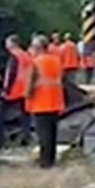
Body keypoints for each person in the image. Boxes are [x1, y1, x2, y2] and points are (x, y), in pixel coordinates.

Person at [25, 35, 65, 167]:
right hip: (55, 100)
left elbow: (31, 81)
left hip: (41, 101)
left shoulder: (35, 62)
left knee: (43, 133)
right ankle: (51, 158)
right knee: (52, 131)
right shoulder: (56, 60)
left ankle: (45, 161)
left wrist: (27, 95)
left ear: (37, 47)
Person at [0, 35, 33, 146]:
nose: (6, 45)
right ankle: (26, 136)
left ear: (13, 44)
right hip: (25, 89)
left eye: (7, 43)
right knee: (25, 114)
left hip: (14, 89)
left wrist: (5, 90)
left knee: (0, 111)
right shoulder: (26, 55)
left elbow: (10, 74)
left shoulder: (14, 56)